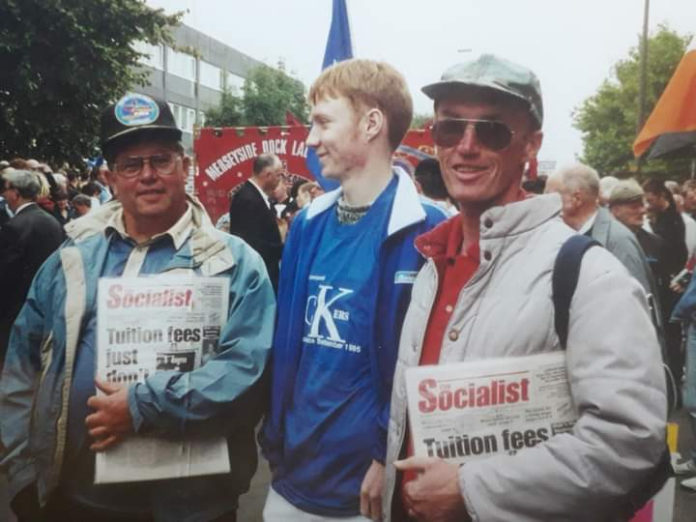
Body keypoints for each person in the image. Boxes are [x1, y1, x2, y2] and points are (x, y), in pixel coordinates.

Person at [383, 54, 666, 522]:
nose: (466, 146)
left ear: (530, 145)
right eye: (450, 128)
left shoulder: (589, 275)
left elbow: (629, 440)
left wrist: (470, 489)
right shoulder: (432, 261)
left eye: (492, 130)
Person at [0, 93, 275, 522]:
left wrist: (141, 405)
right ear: (111, 177)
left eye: (161, 160)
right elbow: (21, 367)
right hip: (73, 504)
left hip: (194, 509)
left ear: (184, 166)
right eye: (131, 164)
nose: (148, 175)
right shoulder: (72, 259)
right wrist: (20, 475)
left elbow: (247, 372)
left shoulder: (235, 263)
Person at [260, 59, 446, 522]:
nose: (310, 138)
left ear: (371, 124)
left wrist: (388, 457)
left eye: (324, 121)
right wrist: (275, 436)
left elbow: (432, 365)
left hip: (368, 494)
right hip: (291, 478)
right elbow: (288, 344)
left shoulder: (430, 229)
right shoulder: (307, 223)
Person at [545, 163, 655, 295]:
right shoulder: (567, 234)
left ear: (576, 198)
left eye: (551, 197)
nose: (545, 204)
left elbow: (636, 304)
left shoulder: (618, 240)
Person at [0, 169, 64, 370]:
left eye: (6, 189)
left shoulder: (15, 226)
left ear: (15, 193)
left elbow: (6, 275)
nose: (3, 194)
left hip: (16, 311)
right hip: (48, 307)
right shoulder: (51, 221)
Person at [228, 153, 284, 292]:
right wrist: (283, 248)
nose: (279, 180)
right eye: (278, 175)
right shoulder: (247, 199)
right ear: (267, 174)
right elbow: (252, 243)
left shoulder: (257, 196)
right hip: (257, 278)